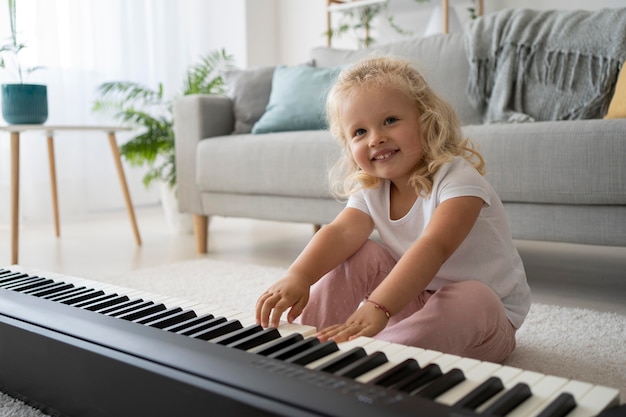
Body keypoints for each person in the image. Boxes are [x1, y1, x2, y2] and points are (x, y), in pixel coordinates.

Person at [255, 56, 531, 363]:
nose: (376, 138)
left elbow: (434, 246)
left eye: (390, 121)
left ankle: (375, 360)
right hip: (411, 303)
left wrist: (378, 306)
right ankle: (301, 342)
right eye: (359, 132)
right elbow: (341, 231)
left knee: (473, 296)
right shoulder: (373, 187)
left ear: (425, 119)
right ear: (348, 145)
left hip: (485, 323)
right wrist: (299, 275)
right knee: (362, 252)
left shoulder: (458, 179)